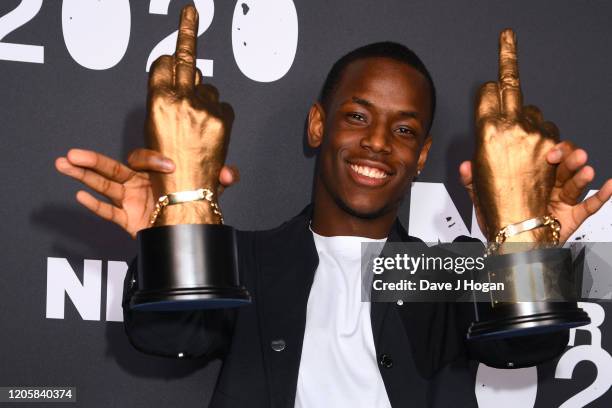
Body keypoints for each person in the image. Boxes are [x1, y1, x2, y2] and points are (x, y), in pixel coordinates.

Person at [55, 5, 612, 407]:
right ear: (318, 124)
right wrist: (179, 216)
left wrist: (522, 237)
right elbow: (170, 338)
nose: (376, 142)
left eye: (404, 129)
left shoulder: (451, 272)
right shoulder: (244, 262)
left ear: (421, 157)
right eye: (357, 116)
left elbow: (529, 344)